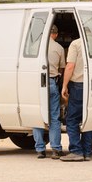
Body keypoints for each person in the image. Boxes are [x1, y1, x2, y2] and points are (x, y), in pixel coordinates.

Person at [33, 25, 65, 159]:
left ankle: (40, 150)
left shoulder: (35, 46)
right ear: (56, 34)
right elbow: (62, 69)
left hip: (37, 82)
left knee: (38, 116)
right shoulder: (59, 48)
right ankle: (56, 149)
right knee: (54, 117)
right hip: (52, 81)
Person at [60, 35, 92, 161]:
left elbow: (70, 66)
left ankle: (76, 151)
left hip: (78, 86)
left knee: (72, 119)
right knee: (89, 118)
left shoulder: (76, 44)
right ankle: (87, 151)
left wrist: (64, 85)